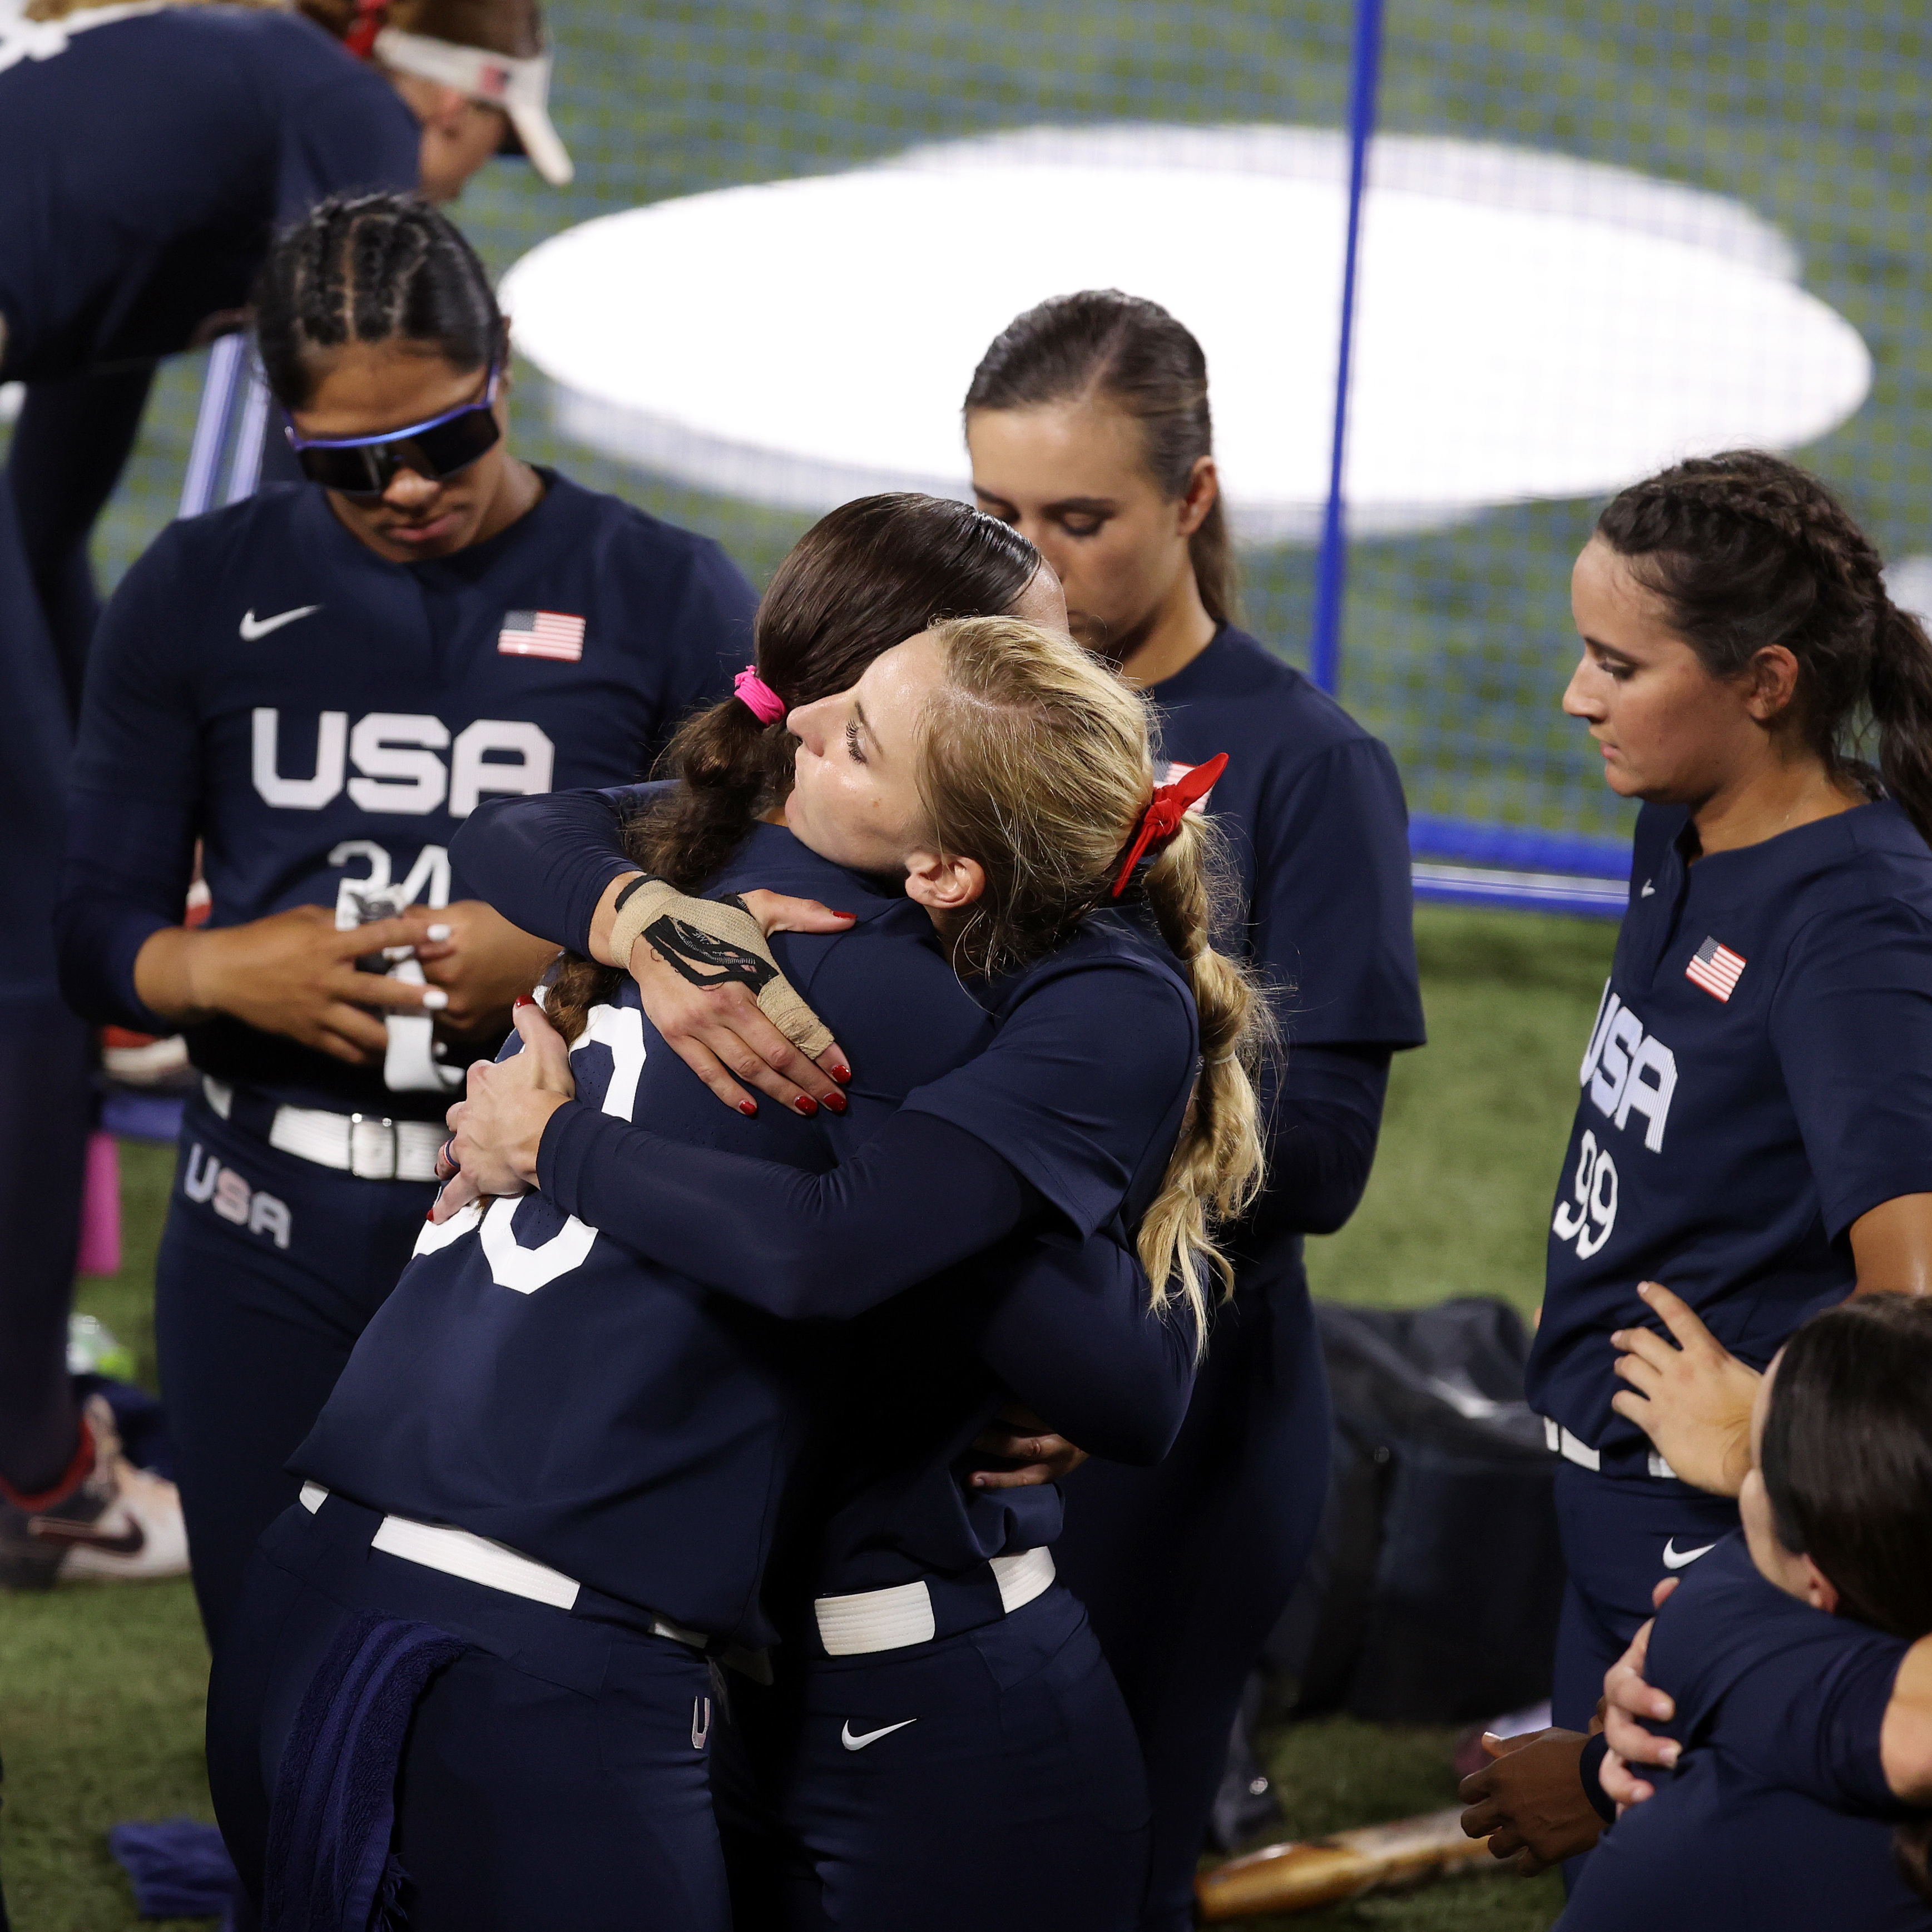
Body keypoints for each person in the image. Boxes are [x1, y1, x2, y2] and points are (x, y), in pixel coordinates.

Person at [207, 612, 1264, 1931]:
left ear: (946, 863)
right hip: (580, 1660)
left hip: (320, 1574)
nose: (796, 719)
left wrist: (552, 1121)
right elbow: (1118, 1381)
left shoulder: (684, 872)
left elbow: (517, 832)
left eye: (858, 731)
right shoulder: (915, 995)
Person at [52, 192, 756, 1642]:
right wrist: (209, 967)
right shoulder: (196, 590)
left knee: (523, 1672)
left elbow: (755, 910)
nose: (406, 491)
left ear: (502, 363)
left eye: (445, 439)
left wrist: (571, 944)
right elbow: (87, 931)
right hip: (259, 1224)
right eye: (347, 464)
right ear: (282, 426)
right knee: (269, 1671)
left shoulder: (663, 590)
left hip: (556, 1213)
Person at [0, 0, 569, 1589]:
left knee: (57, 931)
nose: (448, 179)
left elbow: (47, 516)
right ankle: (36, 1477)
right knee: (36, 978)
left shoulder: (193, 123)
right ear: (423, 75)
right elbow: (315, 461)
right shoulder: (341, 110)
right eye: (474, 134)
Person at [959, 288, 1425, 1922]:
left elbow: (1323, 1157)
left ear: (1193, 502)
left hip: (1184, 1408)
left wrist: (1002, 1166)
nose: (1032, 563)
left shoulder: (1306, 766)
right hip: (970, 1372)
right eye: (996, 515)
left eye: (1078, 520)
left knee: (1106, 1864)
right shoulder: (944, 723)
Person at [1462, 451, 1932, 1874]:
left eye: (1617, 662)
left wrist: (1756, 1447)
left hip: (1720, 1525)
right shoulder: (1683, 820)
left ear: (1765, 680)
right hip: (1616, 1489)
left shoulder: (1856, 932)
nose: (1574, 695)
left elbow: (1913, 1316)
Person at [1559, 1296, 1932, 1930]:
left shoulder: (1727, 1826)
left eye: (1752, 1461)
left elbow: (1908, 1743)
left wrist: (1684, 1662)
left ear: (1818, 1581)